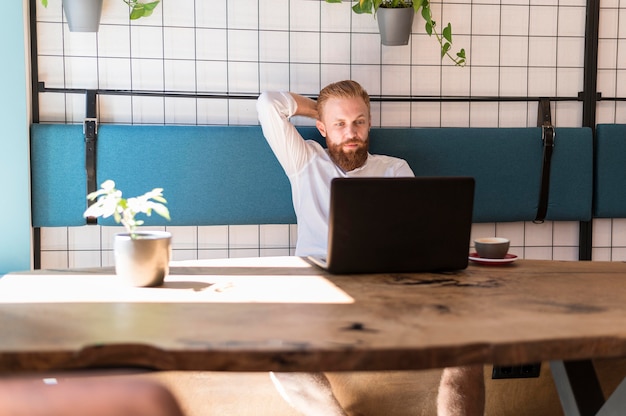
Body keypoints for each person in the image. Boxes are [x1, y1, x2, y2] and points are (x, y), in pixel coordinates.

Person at [256, 80, 485, 416]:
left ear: (370, 123)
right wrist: (316, 107)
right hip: (318, 292)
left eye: (359, 122)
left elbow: (417, 235)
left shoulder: (395, 169)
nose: (352, 132)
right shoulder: (305, 161)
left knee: (469, 341)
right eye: (339, 124)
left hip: (388, 290)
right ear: (321, 128)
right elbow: (268, 103)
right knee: (276, 347)